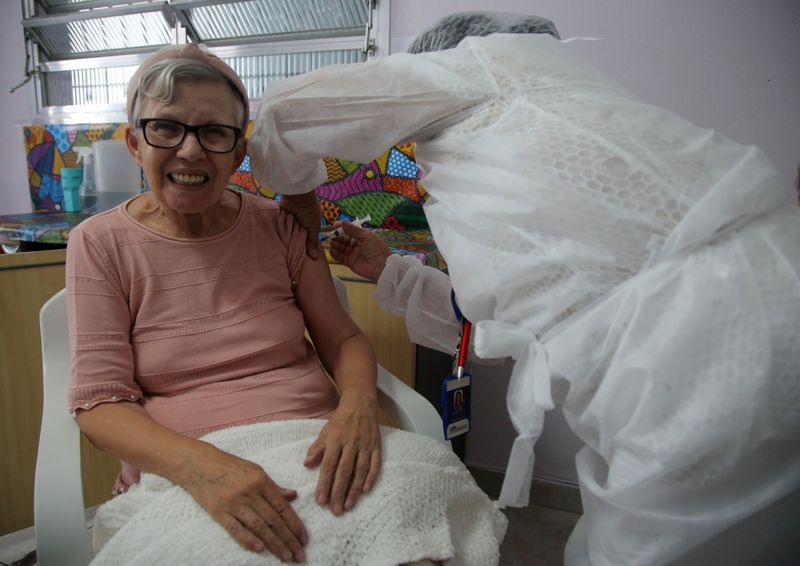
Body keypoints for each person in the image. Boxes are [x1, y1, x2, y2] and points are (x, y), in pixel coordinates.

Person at [248, 10, 800, 566]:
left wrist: (296, 202)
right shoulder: (568, 116)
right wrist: (389, 272)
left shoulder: (487, 64)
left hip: (704, 353)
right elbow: (513, 319)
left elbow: (284, 112)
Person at [66, 43, 505, 565]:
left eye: (213, 132)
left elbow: (341, 338)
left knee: (425, 530)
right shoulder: (99, 243)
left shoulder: (281, 228)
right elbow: (98, 404)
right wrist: (201, 467)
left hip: (317, 442)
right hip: (191, 458)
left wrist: (358, 409)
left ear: (238, 150)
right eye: (166, 127)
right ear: (134, 143)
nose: (190, 151)